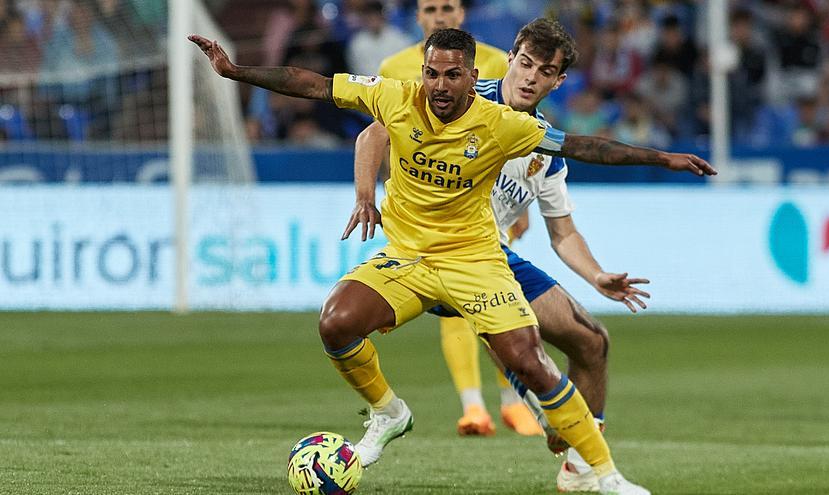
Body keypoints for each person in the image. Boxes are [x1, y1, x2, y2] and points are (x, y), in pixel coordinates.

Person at [190, 27, 715, 495]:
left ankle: (602, 474)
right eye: (432, 74)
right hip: (409, 257)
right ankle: (390, 413)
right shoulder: (397, 97)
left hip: (476, 259)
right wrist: (236, 73)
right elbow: (313, 84)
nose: (440, 86)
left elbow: (582, 147)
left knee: (553, 352)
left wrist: (661, 157)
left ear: (471, 77)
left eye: (452, 76)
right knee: (336, 322)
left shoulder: (508, 127)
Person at [343, 18, 650, 492]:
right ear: (510, 59)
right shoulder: (459, 91)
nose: (531, 77)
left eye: (544, 71)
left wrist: (597, 276)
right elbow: (374, 134)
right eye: (525, 63)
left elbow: (563, 232)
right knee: (509, 336)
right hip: (443, 253)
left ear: (557, 80)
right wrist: (368, 194)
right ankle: (542, 413)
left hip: (496, 255)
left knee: (593, 343)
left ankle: (578, 463)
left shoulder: (545, 145)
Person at [371, 0, 539, 439]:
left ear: (461, 14)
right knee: (453, 312)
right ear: (419, 18)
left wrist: (520, 205)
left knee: (495, 305)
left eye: (448, 6)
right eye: (430, 8)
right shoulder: (394, 66)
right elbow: (380, 134)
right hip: (419, 207)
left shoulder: (494, 60)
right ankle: (473, 406)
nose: (439, 15)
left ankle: (511, 401)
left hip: (485, 204)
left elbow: (517, 135)